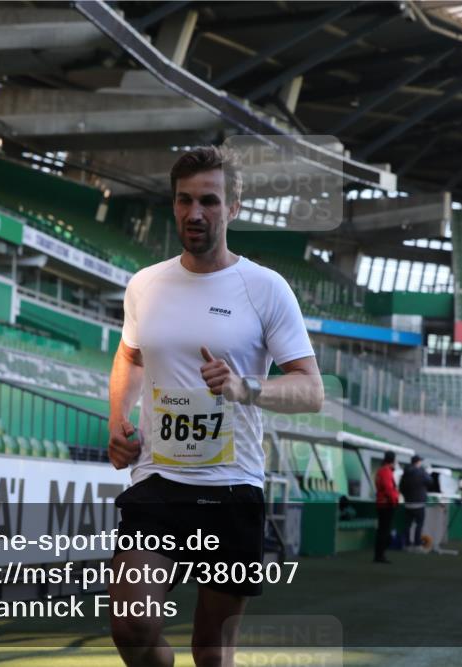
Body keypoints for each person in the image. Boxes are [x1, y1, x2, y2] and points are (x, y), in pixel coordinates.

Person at [105, 146, 323, 667]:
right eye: (184, 200)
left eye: (209, 200)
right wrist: (119, 418)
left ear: (234, 207)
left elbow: (311, 390)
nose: (195, 213)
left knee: (211, 648)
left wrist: (244, 387)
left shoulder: (266, 288)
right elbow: (130, 355)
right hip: (157, 479)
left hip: (231, 484)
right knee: (132, 626)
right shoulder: (146, 284)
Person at [399, 455, 432, 552]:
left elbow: (401, 488)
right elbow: (430, 482)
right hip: (419, 504)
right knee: (419, 524)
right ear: (418, 462)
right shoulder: (421, 472)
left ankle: (407, 545)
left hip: (408, 504)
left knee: (407, 525)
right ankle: (417, 545)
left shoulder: (405, 473)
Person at [374, 451, 399, 564]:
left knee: (382, 530)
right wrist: (394, 501)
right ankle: (380, 555)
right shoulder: (386, 472)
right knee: (384, 530)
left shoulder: (381, 471)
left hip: (381, 503)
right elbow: (389, 489)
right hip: (386, 504)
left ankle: (379, 554)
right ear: (393, 460)